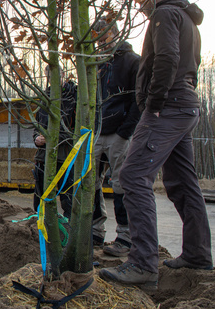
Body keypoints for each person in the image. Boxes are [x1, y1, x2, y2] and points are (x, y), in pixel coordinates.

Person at [99, 0, 213, 290]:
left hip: (169, 105)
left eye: (139, 0)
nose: (139, 8)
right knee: (182, 182)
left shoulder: (164, 13)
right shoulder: (188, 18)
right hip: (185, 104)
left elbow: (167, 57)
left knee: (133, 176)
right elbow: (194, 61)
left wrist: (155, 100)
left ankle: (142, 263)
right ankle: (197, 254)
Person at [91, 18, 141, 257]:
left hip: (119, 132)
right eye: (97, 38)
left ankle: (125, 236)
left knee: (120, 184)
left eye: (103, 37)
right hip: (99, 131)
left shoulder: (132, 61)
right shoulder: (98, 63)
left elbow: (138, 100)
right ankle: (95, 231)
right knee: (90, 182)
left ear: (114, 33)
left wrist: (125, 130)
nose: (100, 42)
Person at [32, 66, 77, 219]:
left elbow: (77, 130)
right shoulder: (45, 96)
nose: (51, 79)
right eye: (48, 76)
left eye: (54, 75)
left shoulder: (74, 96)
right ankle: (40, 227)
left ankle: (68, 230)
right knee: (40, 196)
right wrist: (36, 139)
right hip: (43, 156)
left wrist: (53, 138)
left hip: (66, 156)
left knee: (68, 198)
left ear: (63, 74)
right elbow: (36, 125)